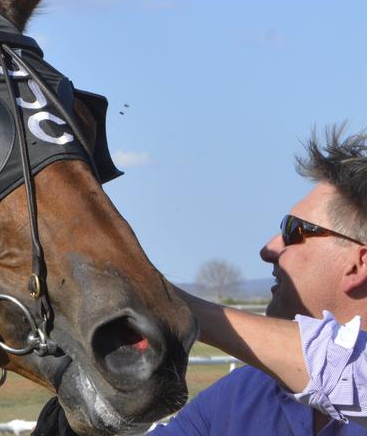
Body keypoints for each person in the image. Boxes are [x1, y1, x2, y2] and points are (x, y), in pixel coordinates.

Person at [33, 126, 367, 435]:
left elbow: (344, 370)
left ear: (359, 263)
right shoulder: (242, 394)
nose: (268, 248)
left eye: (293, 231)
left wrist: (163, 303)